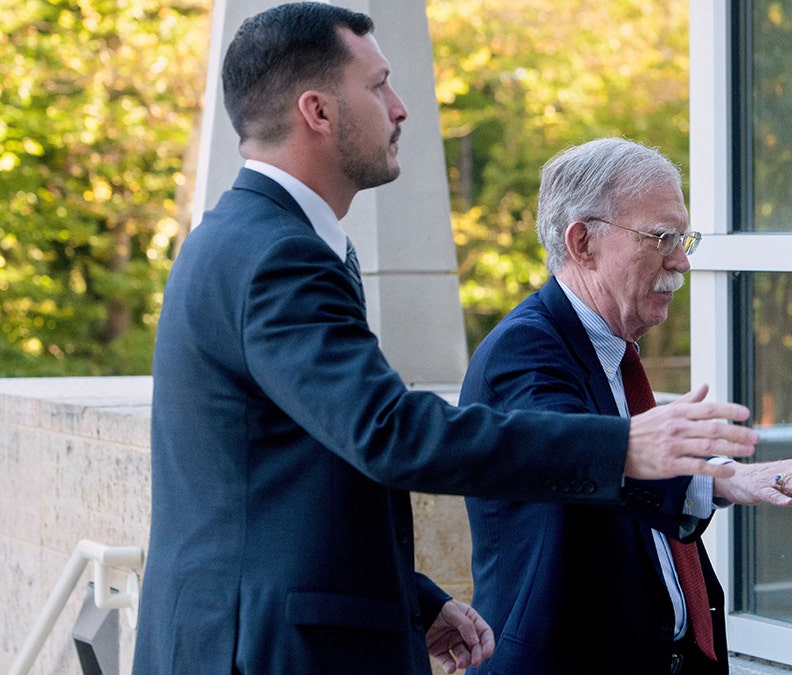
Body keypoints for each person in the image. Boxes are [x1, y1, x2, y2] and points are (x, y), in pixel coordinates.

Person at [133, 5, 759, 675]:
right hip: (263, 651)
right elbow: (388, 432)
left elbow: (308, 466)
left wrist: (416, 597)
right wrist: (623, 445)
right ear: (316, 110)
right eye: (377, 86)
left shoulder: (242, 239)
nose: (400, 108)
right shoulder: (278, 255)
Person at [461, 138, 792, 675]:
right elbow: (580, 456)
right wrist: (725, 479)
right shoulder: (525, 350)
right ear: (582, 243)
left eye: (683, 237)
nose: (682, 262)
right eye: (660, 238)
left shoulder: (615, 355)